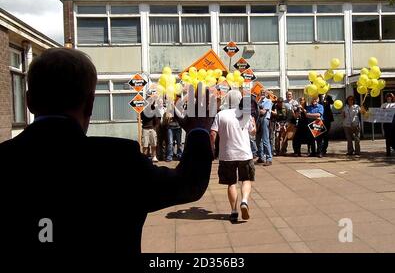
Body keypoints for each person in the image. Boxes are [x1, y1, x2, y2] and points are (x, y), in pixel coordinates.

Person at [0, 48, 213, 260]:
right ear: (91, 103)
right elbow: (189, 184)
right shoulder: (119, 160)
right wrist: (199, 130)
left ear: (28, 101)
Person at [210, 90, 256, 223]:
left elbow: (213, 134)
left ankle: (234, 211)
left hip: (227, 155)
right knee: (246, 179)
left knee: (231, 183)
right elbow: (253, 133)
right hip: (244, 153)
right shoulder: (245, 114)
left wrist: (212, 148)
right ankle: (244, 201)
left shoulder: (220, 114)